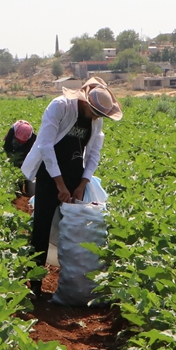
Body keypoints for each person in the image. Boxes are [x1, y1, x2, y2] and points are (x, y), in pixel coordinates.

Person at [22, 79, 122, 267]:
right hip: (49, 175)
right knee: (42, 228)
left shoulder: (96, 121)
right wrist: (60, 185)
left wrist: (82, 185)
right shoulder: (60, 107)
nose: (97, 118)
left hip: (75, 176)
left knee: (76, 228)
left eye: (101, 115)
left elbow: (93, 154)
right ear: (85, 102)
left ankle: (71, 275)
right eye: (95, 112)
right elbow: (46, 146)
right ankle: (35, 278)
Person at [4, 119, 38, 198]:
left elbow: (29, 153)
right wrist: (12, 158)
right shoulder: (12, 131)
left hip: (26, 148)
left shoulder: (32, 137)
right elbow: (7, 148)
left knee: (25, 163)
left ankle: (27, 189)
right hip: (14, 142)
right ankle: (18, 187)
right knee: (15, 164)